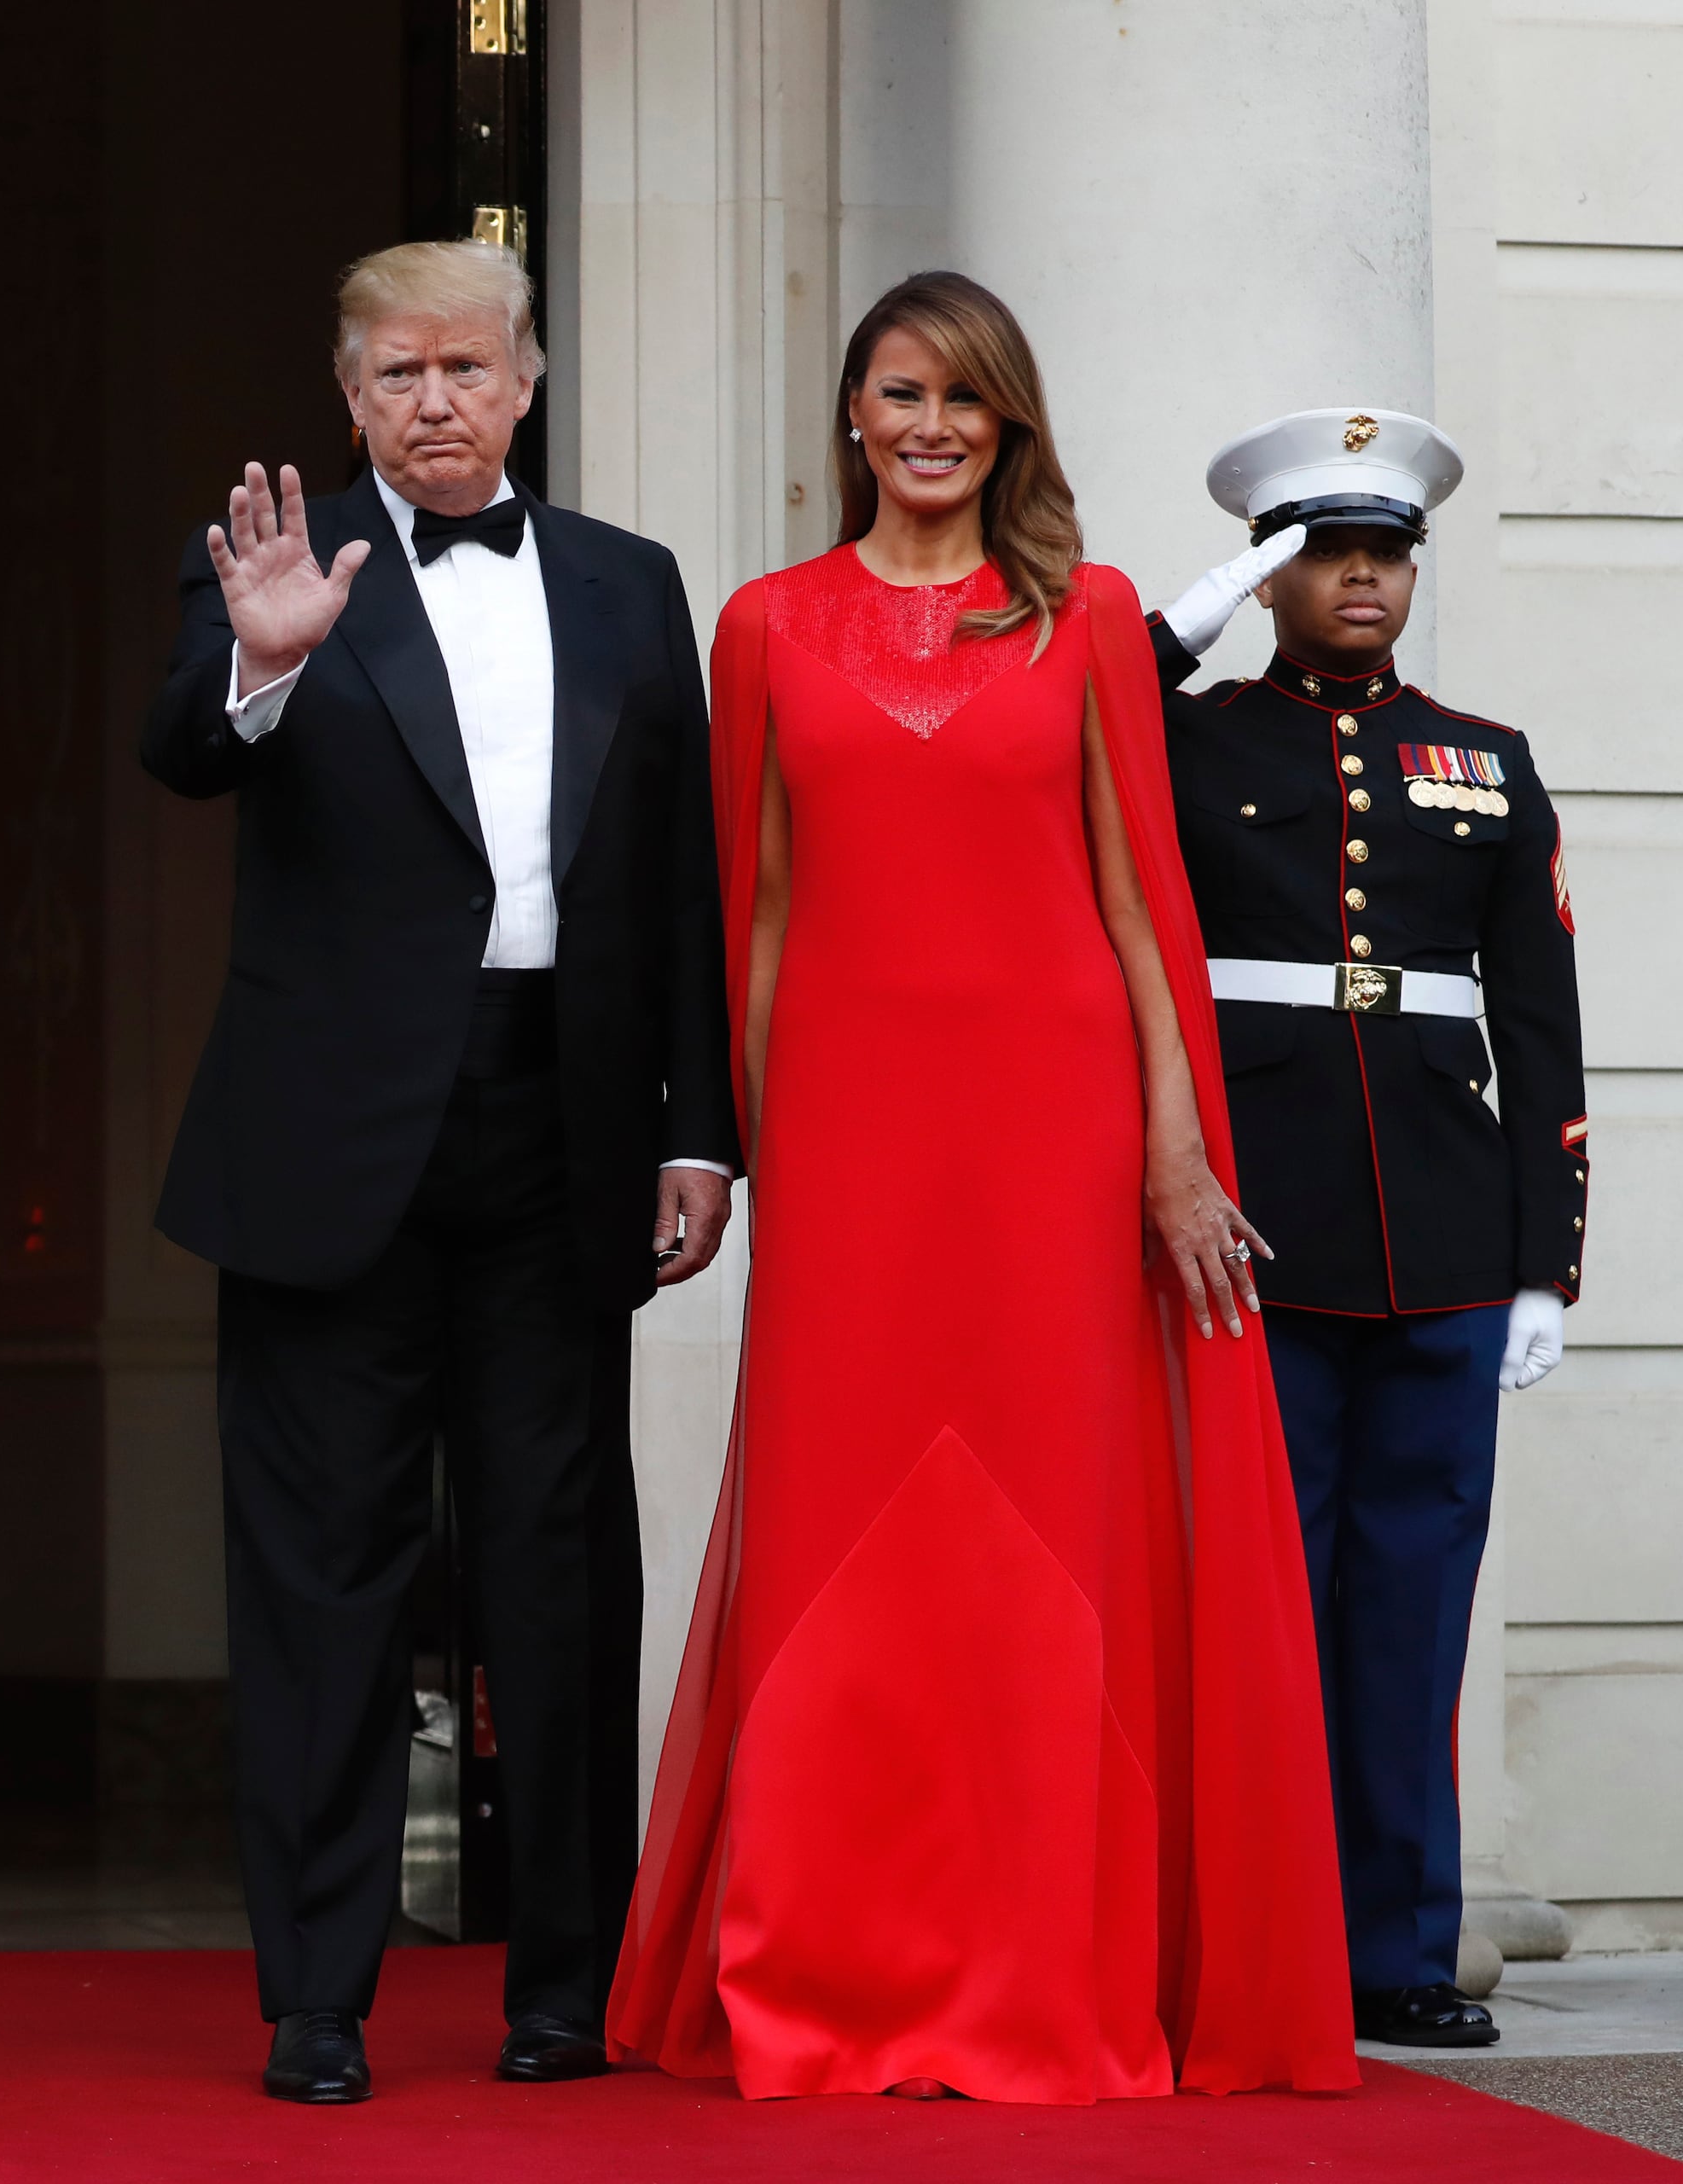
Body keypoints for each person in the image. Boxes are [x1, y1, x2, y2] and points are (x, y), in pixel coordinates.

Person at [606, 273, 1361, 2101]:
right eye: (899, 390)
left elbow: (1138, 908)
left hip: (1064, 1137)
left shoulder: (1088, 618)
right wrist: (761, 1155)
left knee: (1060, 1525)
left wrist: (1177, 1152)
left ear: (1009, 423)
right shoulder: (764, 627)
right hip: (854, 1152)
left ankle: (1047, 1961)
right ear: (850, 414)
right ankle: (825, 1963)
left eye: (965, 397)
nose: (931, 423)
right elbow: (760, 907)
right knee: (832, 1521)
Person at [139, 239, 737, 2106]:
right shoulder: (273, 556)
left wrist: (699, 1118)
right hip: (333, 1143)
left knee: (558, 1565)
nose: (435, 401)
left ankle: (566, 1979)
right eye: (398, 374)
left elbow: (682, 874)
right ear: (349, 395)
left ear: (530, 378)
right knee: (322, 1571)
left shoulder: (634, 587)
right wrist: (256, 658)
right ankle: (318, 1994)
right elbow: (177, 755)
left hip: (561, 1119)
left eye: (468, 368)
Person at [1150, 410, 1582, 2050]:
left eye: (1385, 553)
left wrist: (1546, 1261)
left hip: (1447, 1240)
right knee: (1256, 1606)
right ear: (1272, 581)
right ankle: (1250, 1942)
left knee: (1412, 1605)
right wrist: (1180, 618)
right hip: (1249, 1230)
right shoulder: (1189, 737)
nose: (1361, 580)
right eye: (1326, 553)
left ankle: (1395, 1951)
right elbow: (1060, 723)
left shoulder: (1485, 753)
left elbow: (1539, 1018)